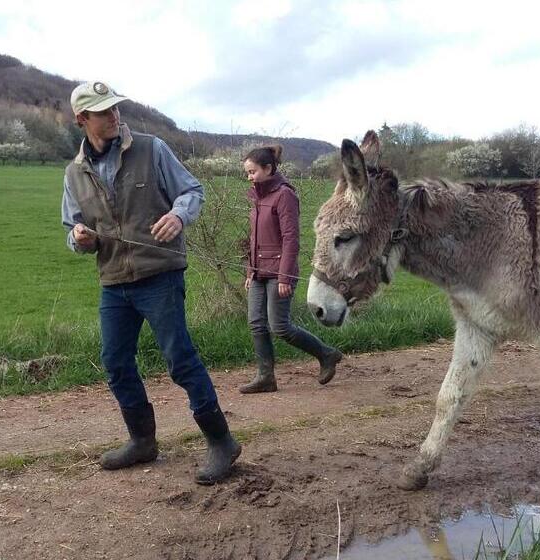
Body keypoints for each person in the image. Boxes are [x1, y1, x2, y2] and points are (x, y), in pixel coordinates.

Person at [60, 81, 241, 484]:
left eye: (115, 108)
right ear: (82, 120)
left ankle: (222, 442)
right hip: (114, 281)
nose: (114, 116)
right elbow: (73, 230)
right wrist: (80, 238)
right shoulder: (74, 173)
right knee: (115, 362)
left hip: (160, 275)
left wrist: (178, 215)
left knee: (180, 360)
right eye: (104, 111)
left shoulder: (152, 148)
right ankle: (143, 441)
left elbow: (192, 190)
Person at [240, 146, 343, 393]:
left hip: (279, 273)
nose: (249, 177)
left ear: (268, 168)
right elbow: (254, 238)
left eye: (253, 172)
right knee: (256, 323)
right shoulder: (257, 196)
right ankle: (266, 377)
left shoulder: (284, 195)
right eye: (247, 173)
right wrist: (249, 271)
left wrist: (285, 276)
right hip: (258, 272)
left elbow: (290, 239)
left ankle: (327, 354)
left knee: (280, 326)